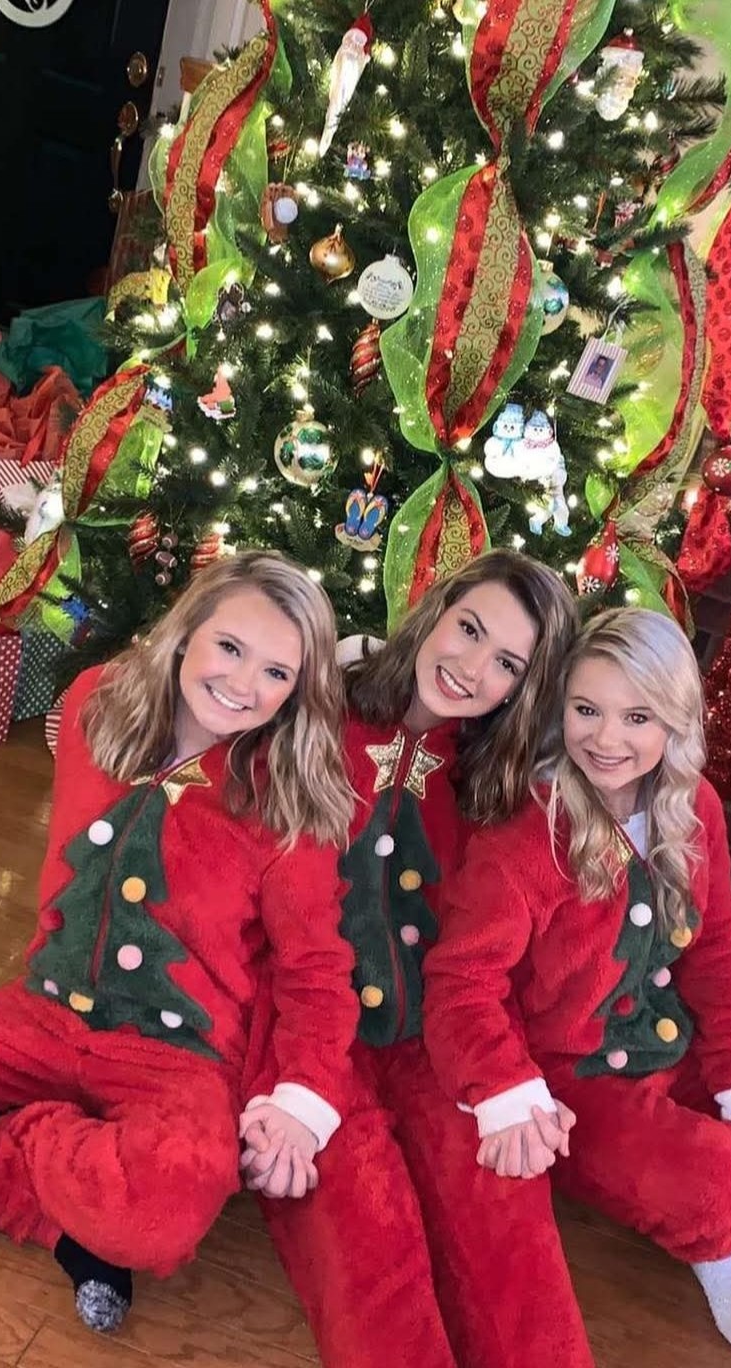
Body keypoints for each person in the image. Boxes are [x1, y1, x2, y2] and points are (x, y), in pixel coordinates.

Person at [0, 551, 360, 1336]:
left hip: (175, 1060)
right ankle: (54, 1210)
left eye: (277, 673)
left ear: (299, 691)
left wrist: (303, 1103)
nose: (244, 684)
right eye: (230, 647)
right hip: (41, 1015)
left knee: (160, 1221)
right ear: (187, 631)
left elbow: (317, 974)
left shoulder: (288, 806)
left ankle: (31, 1131)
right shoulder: (95, 705)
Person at [423, 608, 731, 1359]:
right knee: (726, 1188)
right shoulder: (528, 834)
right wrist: (504, 1090)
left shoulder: (693, 807)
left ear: (674, 720)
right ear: (560, 708)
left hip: (672, 1046)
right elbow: (461, 983)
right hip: (577, 1088)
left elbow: (715, 956)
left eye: (637, 717)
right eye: (587, 710)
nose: (607, 740)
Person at [241, 550, 597, 1368]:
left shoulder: (504, 782)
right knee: (371, 1252)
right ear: (436, 609)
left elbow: (484, 958)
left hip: (433, 1036)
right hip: (309, 1037)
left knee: (508, 1229)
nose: (472, 668)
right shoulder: (314, 706)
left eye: (507, 663)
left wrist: (499, 1074)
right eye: (469, 629)